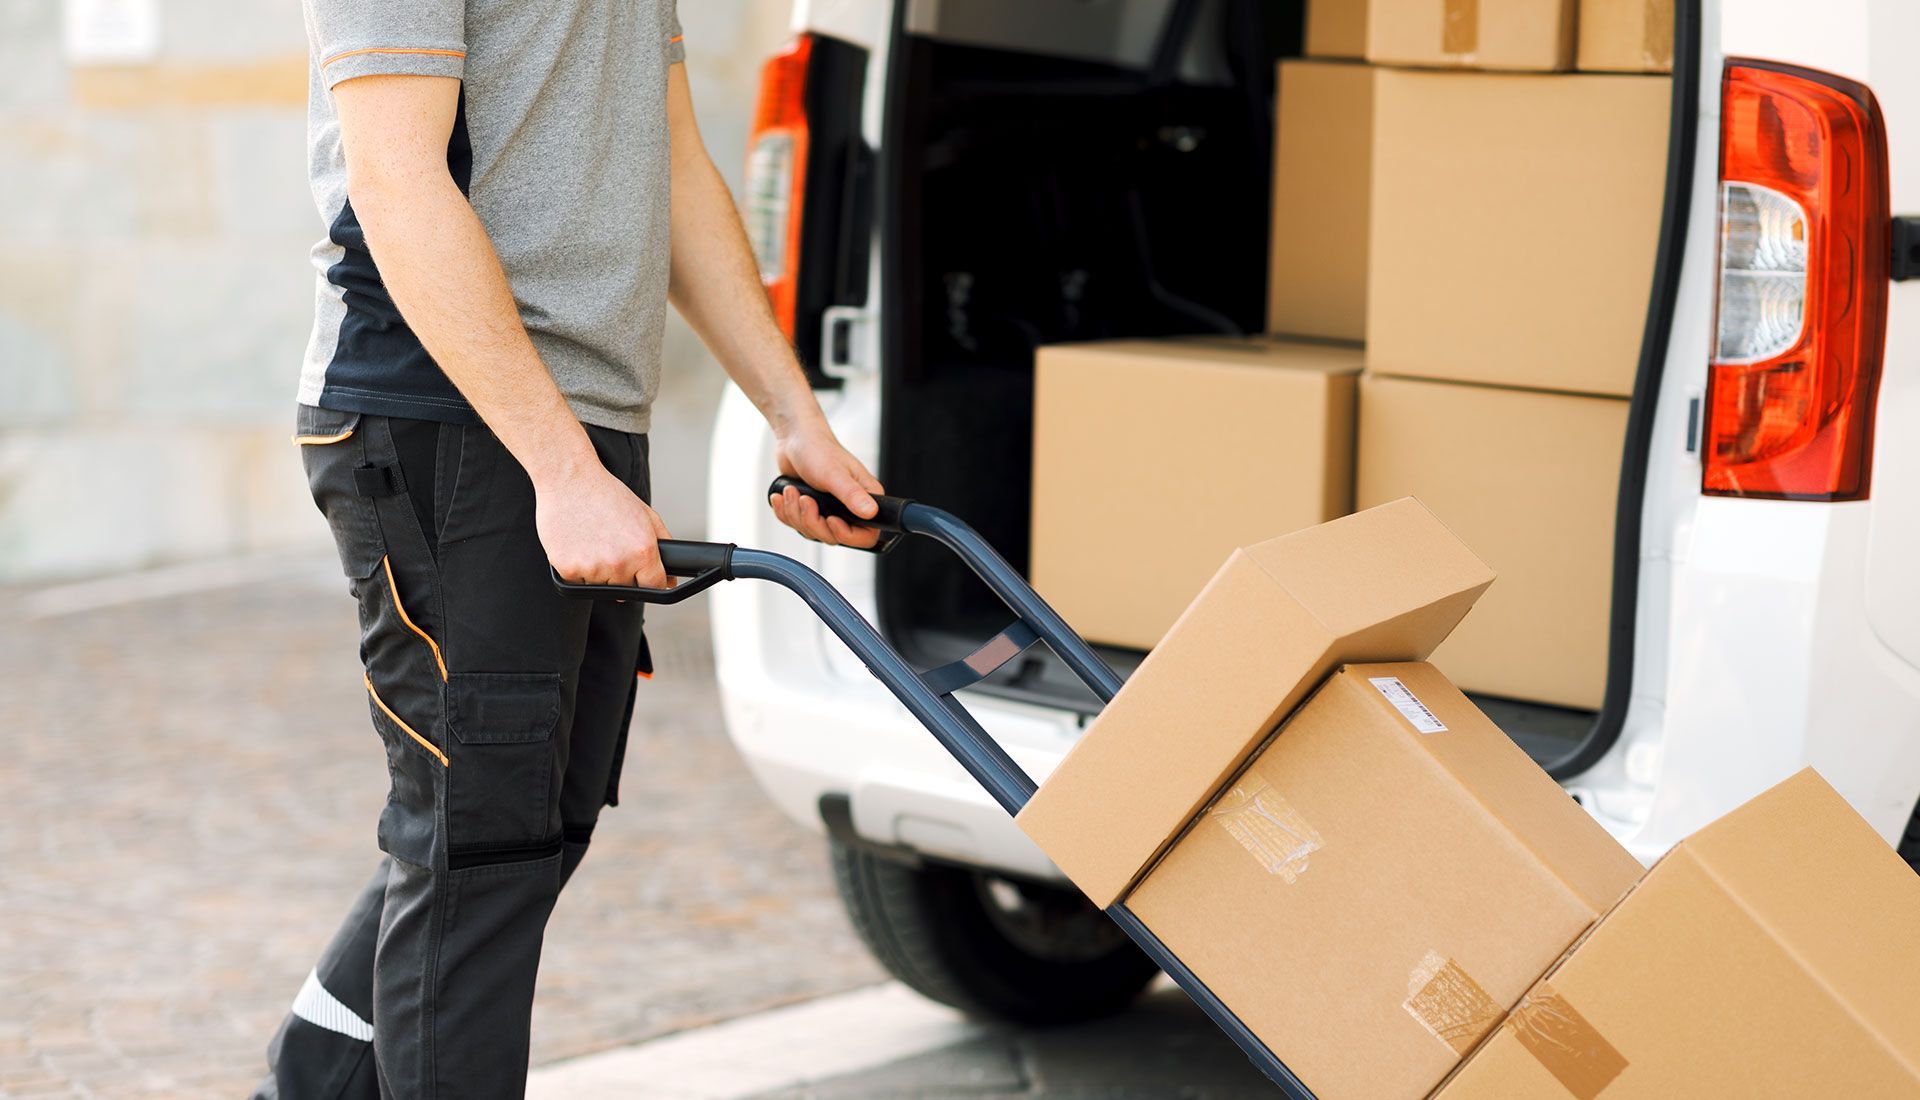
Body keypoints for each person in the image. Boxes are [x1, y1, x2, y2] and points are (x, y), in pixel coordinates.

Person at [257, 2, 881, 1095]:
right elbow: (397, 181)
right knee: (481, 847)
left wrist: (796, 415)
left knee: (536, 826)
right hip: (449, 414)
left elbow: (673, 166)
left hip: (586, 421)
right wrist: (559, 470)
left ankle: (307, 1083)